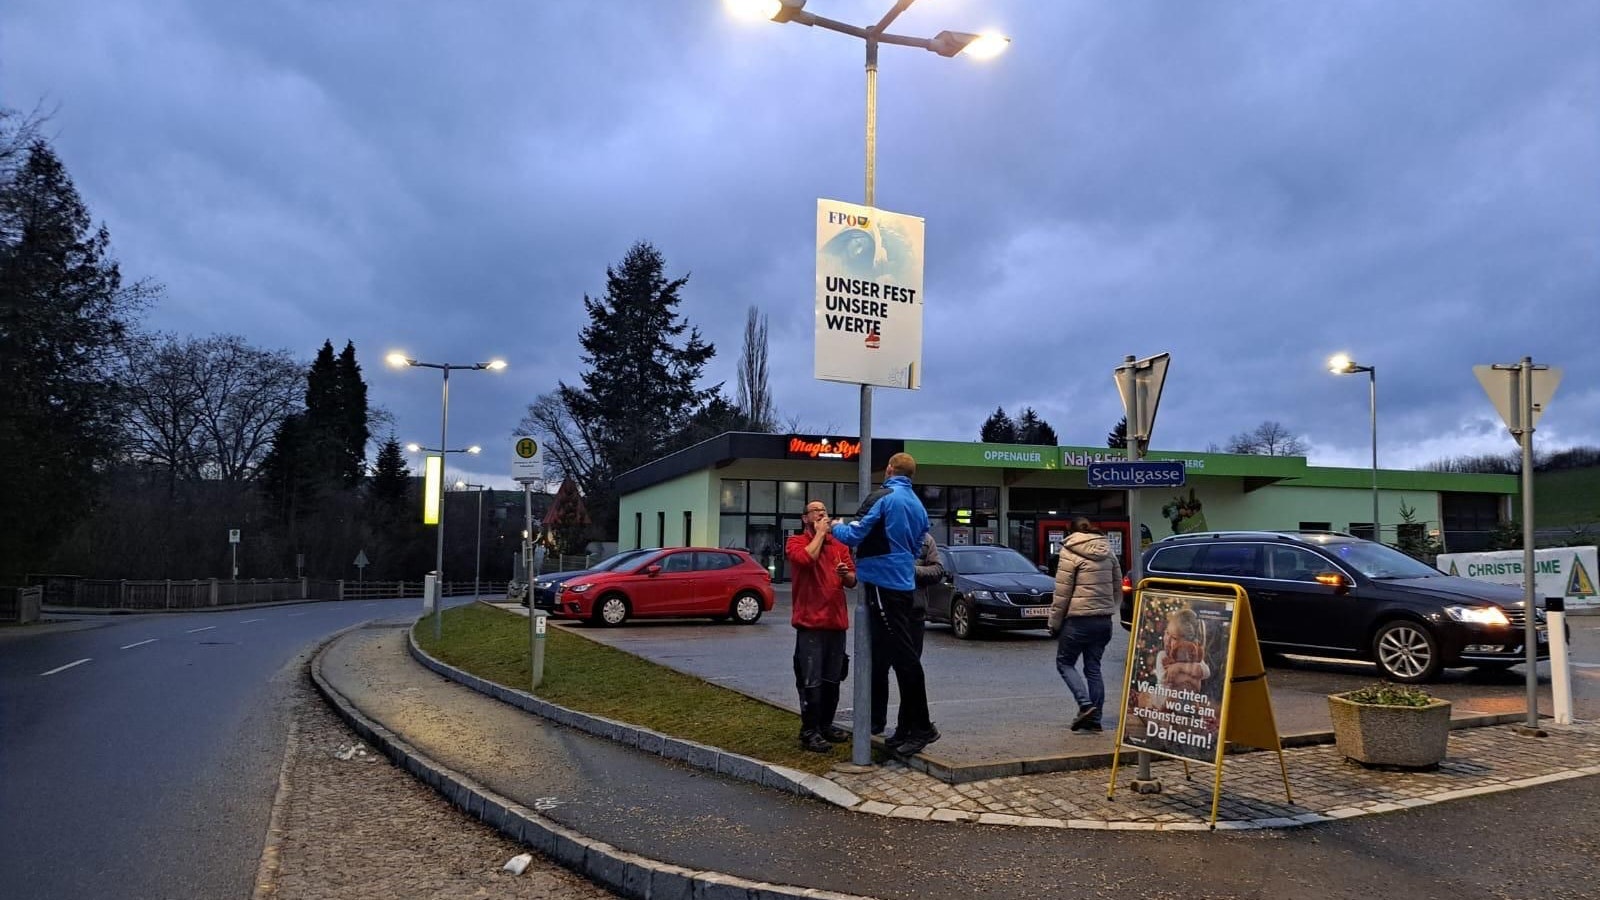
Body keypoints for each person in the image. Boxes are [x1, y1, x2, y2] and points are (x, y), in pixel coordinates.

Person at [832, 452, 936, 756]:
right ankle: (906, 728)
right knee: (900, 655)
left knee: (904, 659)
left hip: (882, 583)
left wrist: (836, 526)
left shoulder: (884, 497)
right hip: (902, 582)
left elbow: (856, 533)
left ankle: (922, 727)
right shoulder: (917, 504)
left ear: (889, 469)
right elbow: (919, 543)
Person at [785, 499, 857, 753]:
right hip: (810, 623)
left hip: (836, 622)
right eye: (815, 511)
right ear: (805, 518)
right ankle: (809, 730)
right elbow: (806, 560)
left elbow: (852, 580)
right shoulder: (796, 542)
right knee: (811, 681)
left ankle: (826, 725)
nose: (821, 513)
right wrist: (820, 534)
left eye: (824, 510)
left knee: (832, 680)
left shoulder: (839, 544)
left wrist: (844, 573)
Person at [1047, 517, 1123, 734]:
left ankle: (1085, 705)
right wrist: (1109, 607)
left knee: (1065, 662)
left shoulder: (1069, 552)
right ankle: (1095, 719)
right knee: (1093, 668)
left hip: (1078, 620)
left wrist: (1054, 623)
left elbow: (1062, 593)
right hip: (1103, 620)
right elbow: (1117, 584)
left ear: (1070, 532)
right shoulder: (1107, 551)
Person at [869, 532, 945, 739]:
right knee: (878, 668)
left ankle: (906, 726)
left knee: (908, 671)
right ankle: (875, 722)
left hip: (913, 614)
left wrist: (912, 571)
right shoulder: (884, 536)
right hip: (884, 613)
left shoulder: (925, 539)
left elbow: (938, 570)